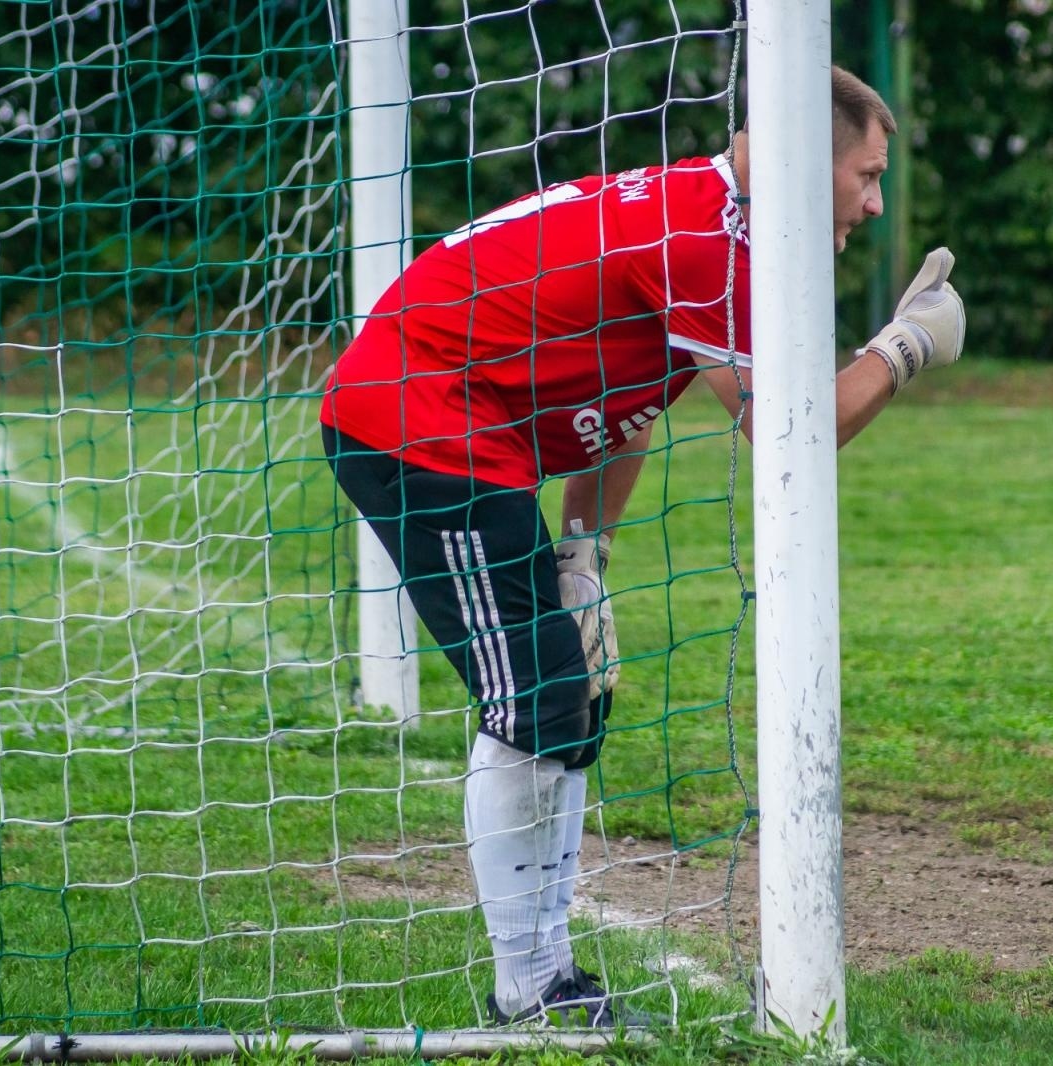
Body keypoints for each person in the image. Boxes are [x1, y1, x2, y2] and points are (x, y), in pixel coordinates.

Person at [320, 65, 965, 1027]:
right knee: (537, 699)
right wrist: (902, 349)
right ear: (800, 161)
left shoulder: (703, 212)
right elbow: (792, 433)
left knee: (568, 700)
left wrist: (586, 557)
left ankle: (545, 981)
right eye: (866, 175)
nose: (874, 202)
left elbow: (623, 413)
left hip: (463, 435)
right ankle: (530, 991)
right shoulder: (710, 241)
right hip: (414, 427)